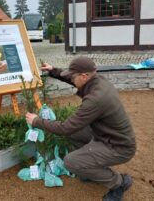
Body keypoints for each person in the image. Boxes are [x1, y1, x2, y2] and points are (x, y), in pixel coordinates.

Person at [26, 56, 136, 201]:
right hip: (105, 135)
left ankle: (119, 183)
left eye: (73, 76)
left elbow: (65, 128)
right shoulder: (96, 80)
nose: (71, 79)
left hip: (118, 147)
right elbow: (72, 78)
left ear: (85, 76)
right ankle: (88, 170)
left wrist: (37, 121)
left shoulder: (96, 98)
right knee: (75, 133)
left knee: (70, 162)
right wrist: (53, 71)